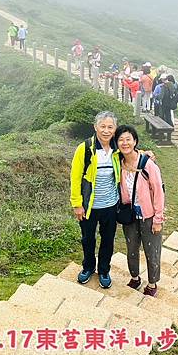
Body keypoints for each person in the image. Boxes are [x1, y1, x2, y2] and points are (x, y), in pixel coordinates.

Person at [70, 111, 120, 289]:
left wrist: (147, 155)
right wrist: (77, 204)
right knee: (88, 239)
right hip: (89, 206)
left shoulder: (117, 148)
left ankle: (104, 270)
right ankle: (88, 267)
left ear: (115, 130)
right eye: (103, 126)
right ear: (95, 127)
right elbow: (75, 177)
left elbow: (133, 154)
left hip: (111, 205)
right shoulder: (85, 148)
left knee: (108, 239)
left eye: (110, 127)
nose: (106, 131)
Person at [115, 124, 164, 296]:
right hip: (130, 215)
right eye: (121, 140)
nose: (125, 143)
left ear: (135, 141)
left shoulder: (147, 164)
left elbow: (158, 192)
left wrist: (158, 219)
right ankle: (135, 277)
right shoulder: (118, 162)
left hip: (148, 215)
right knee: (132, 248)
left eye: (128, 139)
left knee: (152, 250)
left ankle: (152, 284)